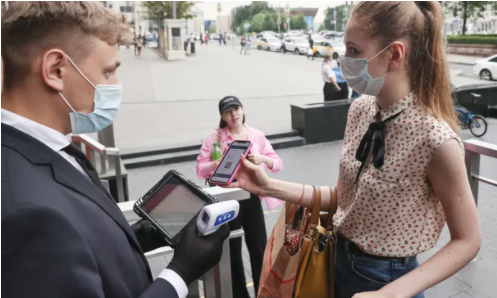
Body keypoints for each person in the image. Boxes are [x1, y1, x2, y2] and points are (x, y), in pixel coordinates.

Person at [226, 2, 481, 298]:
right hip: (335, 257)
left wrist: (392, 293)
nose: (344, 60)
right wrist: (270, 186)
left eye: (354, 50)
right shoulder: (360, 110)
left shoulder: (435, 139)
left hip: (389, 279)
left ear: (394, 55)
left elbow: (468, 240)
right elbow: (344, 199)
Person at [1, 2, 230, 298]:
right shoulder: (27, 212)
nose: (116, 85)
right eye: (108, 72)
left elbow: (76, 246)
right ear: (55, 69)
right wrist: (180, 272)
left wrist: (139, 236)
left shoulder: (41, 148)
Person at [196, 96, 283, 298]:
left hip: (251, 197)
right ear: (222, 116)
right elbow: (200, 169)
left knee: (259, 246)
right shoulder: (215, 138)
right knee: (232, 250)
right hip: (228, 200)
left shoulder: (256, 135)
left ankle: (263, 292)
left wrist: (263, 159)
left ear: (243, 109)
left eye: (236, 108)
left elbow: (277, 163)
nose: (233, 114)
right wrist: (214, 165)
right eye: (228, 111)